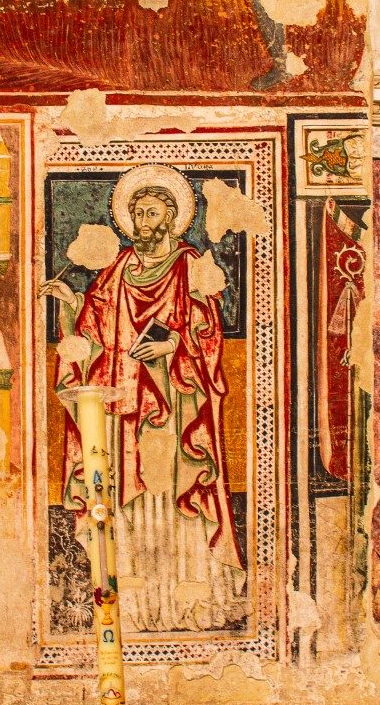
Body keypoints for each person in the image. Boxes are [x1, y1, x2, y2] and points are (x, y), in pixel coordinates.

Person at [42, 166, 246, 632]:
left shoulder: (189, 265)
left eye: (150, 211)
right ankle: (132, 606)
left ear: (172, 217)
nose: (140, 219)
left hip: (174, 408)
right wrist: (70, 306)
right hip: (125, 405)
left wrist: (172, 345)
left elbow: (207, 331)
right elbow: (92, 332)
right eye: (135, 211)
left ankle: (187, 598)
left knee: (177, 494)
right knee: (125, 497)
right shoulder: (117, 270)